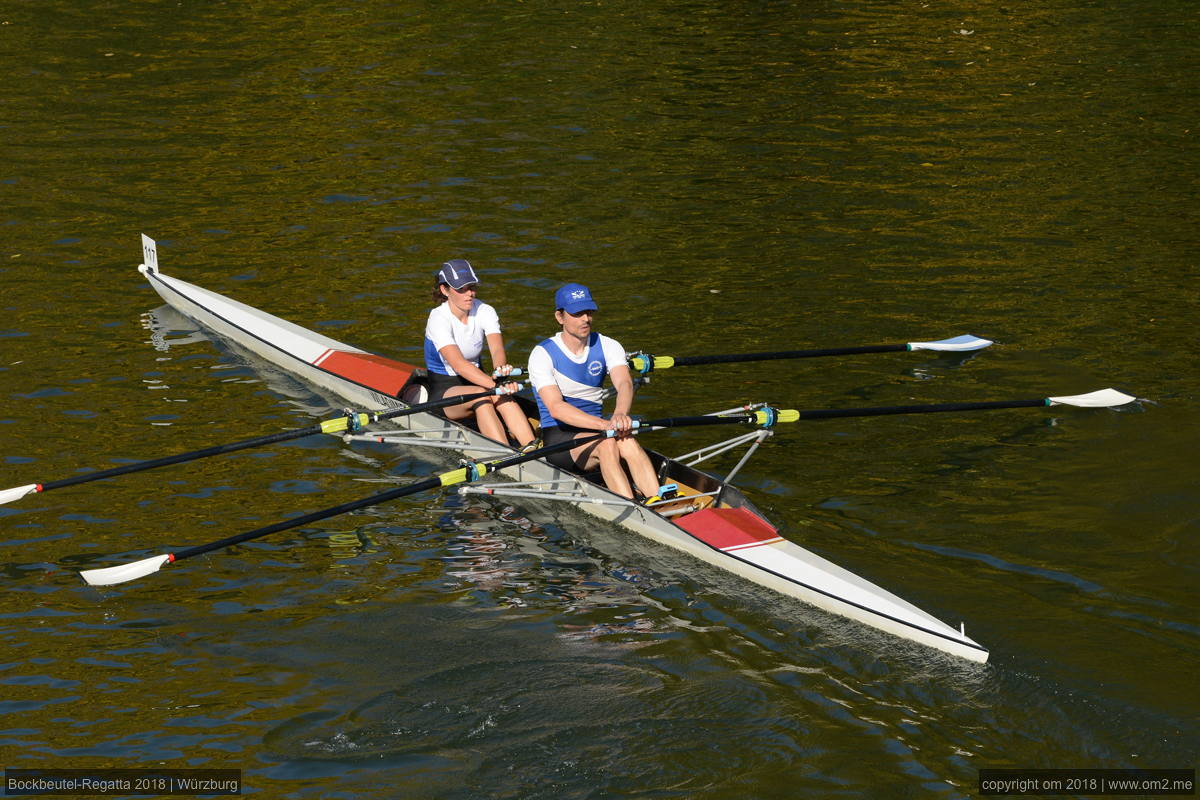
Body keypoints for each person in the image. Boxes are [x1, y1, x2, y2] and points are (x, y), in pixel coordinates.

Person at [527, 283, 660, 501]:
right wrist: (605, 425)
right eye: (577, 313)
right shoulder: (542, 353)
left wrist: (620, 414)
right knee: (608, 442)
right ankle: (631, 505)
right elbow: (557, 408)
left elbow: (624, 383)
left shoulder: (608, 345)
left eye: (588, 312)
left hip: (597, 430)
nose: (585, 319)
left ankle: (659, 499)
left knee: (627, 438)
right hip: (559, 438)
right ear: (560, 317)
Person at [424, 259, 537, 449]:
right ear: (445, 290)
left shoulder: (485, 310)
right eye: (461, 289)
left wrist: (501, 373)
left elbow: (497, 350)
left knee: (499, 394)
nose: (470, 294)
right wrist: (496, 386)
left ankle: (532, 447)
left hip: (478, 380)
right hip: (445, 390)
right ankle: (505, 455)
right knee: (483, 395)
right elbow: (459, 365)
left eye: (472, 287)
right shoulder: (438, 318)